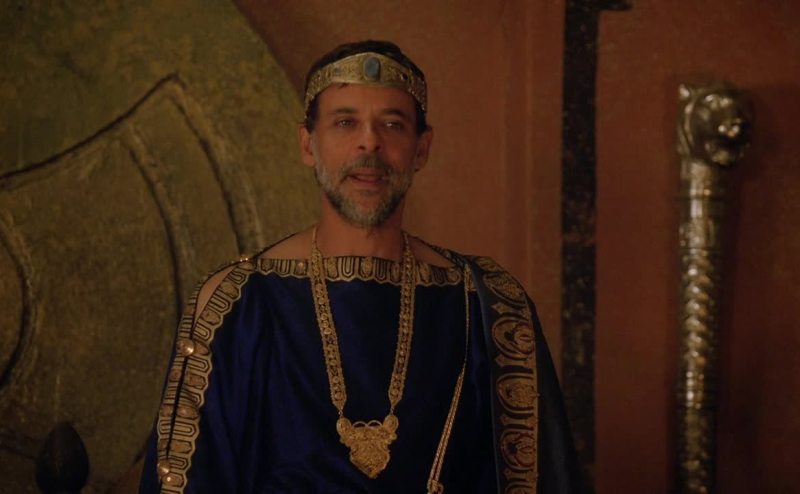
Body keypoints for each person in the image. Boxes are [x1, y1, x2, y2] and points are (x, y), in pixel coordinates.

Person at [140, 40, 581, 493]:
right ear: (308, 144)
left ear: (422, 148)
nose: (369, 142)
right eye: (345, 122)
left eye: (392, 124)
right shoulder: (235, 305)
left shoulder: (485, 305)